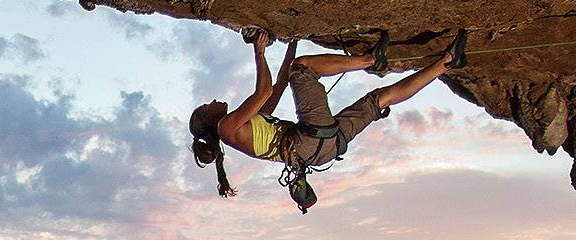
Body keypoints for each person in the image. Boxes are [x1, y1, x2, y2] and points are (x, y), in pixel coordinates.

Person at [189, 29, 468, 212]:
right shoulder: (226, 128)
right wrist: (259, 53)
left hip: (321, 151)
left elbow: (279, 86)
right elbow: (264, 91)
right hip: (307, 142)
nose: (212, 102)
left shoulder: (243, 126)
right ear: (207, 119)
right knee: (304, 69)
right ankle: (371, 59)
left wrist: (293, 40)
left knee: (379, 99)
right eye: (206, 106)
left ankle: (448, 60)